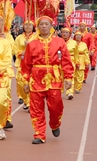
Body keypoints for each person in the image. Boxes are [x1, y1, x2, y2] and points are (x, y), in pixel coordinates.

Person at [21, 16, 74, 144]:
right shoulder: (32, 44)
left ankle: (55, 123)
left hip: (54, 78)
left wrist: (68, 77)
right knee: (36, 108)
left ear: (51, 26)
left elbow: (66, 61)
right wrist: (25, 81)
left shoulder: (59, 42)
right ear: (38, 27)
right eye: (41, 24)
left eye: (46, 24)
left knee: (56, 106)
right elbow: (26, 65)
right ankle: (39, 133)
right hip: (36, 80)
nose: (44, 26)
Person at [14, 20, 37, 110]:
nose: (28, 27)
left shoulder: (36, 37)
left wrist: (29, 47)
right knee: (20, 82)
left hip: (32, 63)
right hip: (21, 62)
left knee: (31, 82)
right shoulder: (19, 38)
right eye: (26, 25)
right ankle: (24, 98)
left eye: (30, 25)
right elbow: (15, 50)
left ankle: (29, 103)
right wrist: (22, 52)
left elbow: (38, 49)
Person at [60, 27, 78, 100]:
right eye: (63, 32)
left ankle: (70, 92)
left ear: (70, 34)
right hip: (60, 61)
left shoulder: (74, 42)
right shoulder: (58, 41)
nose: (64, 34)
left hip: (70, 61)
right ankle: (60, 92)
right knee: (60, 77)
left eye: (66, 32)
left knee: (70, 77)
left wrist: (77, 63)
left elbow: (76, 54)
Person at [71, 31, 90, 96]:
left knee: (80, 75)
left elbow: (86, 54)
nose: (78, 37)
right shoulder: (72, 43)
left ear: (81, 37)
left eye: (79, 36)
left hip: (81, 60)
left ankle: (78, 88)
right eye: (77, 35)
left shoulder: (84, 44)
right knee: (72, 75)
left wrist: (87, 62)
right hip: (73, 60)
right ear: (74, 36)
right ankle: (72, 88)